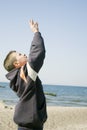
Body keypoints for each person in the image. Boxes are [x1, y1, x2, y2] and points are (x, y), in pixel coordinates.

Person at [3, 19, 47, 130]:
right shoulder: (24, 73)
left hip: (27, 124)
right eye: (19, 54)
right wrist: (36, 32)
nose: (23, 53)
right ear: (16, 63)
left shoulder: (17, 78)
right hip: (30, 126)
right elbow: (38, 53)